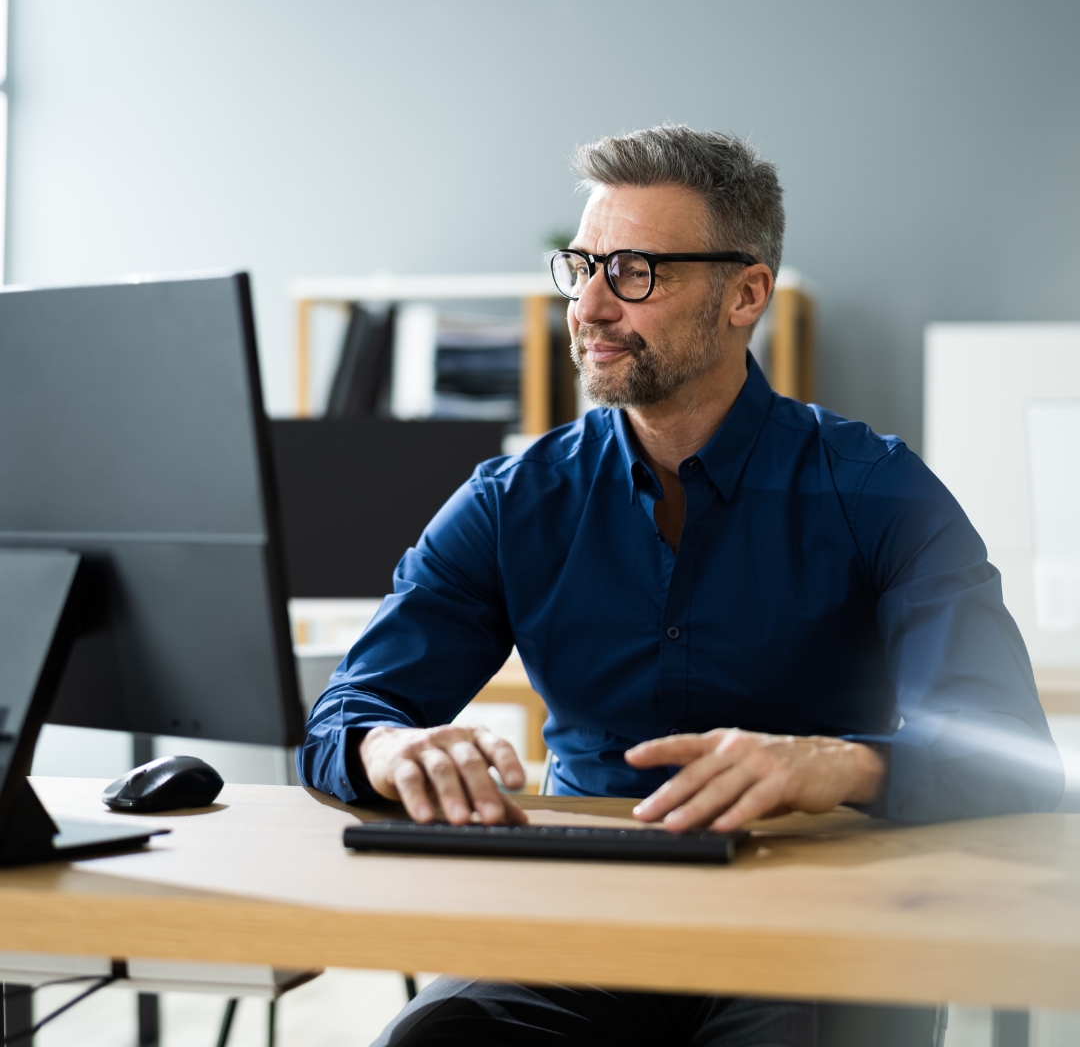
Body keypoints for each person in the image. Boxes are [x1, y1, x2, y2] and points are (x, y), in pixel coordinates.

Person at [297, 125, 1063, 1047]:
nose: (588, 305)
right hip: (585, 917)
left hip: (815, 917)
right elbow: (348, 714)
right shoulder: (512, 503)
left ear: (747, 294)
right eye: (580, 266)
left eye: (635, 272)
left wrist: (835, 764)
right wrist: (387, 750)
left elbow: (1014, 756)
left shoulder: (879, 491)